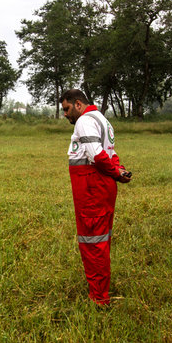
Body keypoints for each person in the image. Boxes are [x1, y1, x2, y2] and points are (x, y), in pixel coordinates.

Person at [59, 89, 131, 306]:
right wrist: (118, 170)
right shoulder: (102, 120)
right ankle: (100, 289)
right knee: (101, 240)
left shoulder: (84, 121)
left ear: (78, 104)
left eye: (67, 109)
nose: (65, 114)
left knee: (93, 243)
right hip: (102, 188)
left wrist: (116, 172)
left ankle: (99, 297)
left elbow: (98, 156)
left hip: (91, 190)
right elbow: (111, 153)